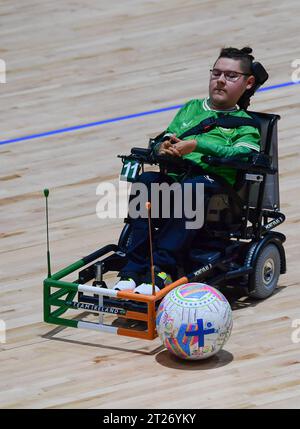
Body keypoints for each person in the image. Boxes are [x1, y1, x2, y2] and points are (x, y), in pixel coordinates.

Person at [114, 46, 261, 294]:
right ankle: (133, 267)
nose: (221, 81)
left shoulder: (247, 126)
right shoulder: (191, 108)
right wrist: (163, 147)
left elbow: (242, 153)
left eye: (231, 76)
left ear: (248, 83)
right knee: (148, 180)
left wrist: (196, 144)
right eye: (216, 73)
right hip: (178, 181)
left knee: (193, 188)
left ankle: (162, 268)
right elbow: (169, 135)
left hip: (217, 196)